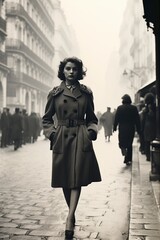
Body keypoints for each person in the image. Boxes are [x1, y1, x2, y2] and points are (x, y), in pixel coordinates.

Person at [42, 57, 101, 239]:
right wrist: (52, 133)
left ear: (79, 71)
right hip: (61, 138)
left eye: (75, 69)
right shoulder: (55, 93)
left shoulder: (86, 93)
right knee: (65, 179)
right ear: (63, 71)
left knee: (76, 178)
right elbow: (46, 119)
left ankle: (69, 218)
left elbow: (92, 118)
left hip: (80, 137)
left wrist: (91, 131)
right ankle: (72, 212)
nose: (71, 72)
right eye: (68, 68)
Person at [113, 94, 141, 165]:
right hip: (131, 128)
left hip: (122, 128)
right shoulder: (134, 108)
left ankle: (123, 149)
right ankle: (128, 158)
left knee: (122, 141)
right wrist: (138, 129)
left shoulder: (120, 108)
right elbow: (137, 119)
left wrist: (115, 127)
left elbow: (116, 118)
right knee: (129, 143)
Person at [141, 93, 156, 161]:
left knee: (147, 142)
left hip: (146, 126)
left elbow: (142, 119)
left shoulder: (145, 109)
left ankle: (148, 156)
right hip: (153, 126)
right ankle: (152, 156)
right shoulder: (154, 107)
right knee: (153, 141)